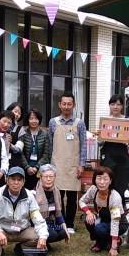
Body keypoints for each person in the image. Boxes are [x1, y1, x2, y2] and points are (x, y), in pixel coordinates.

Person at [0, 166, 48, 256]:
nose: (16, 182)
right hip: (2, 230)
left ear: (23, 182)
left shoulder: (29, 197)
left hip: (22, 230)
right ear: (6, 180)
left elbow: (37, 218)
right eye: (13, 179)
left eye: (19, 180)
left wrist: (43, 237)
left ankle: (20, 248)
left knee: (38, 235)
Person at [49, 92, 87, 234]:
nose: (66, 106)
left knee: (71, 196)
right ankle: (61, 221)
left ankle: (70, 223)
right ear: (59, 105)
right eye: (63, 104)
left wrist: (81, 164)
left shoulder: (79, 123)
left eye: (69, 104)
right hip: (57, 164)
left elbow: (83, 145)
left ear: (74, 105)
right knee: (58, 195)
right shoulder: (53, 122)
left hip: (73, 164)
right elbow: (50, 145)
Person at [79, 166, 128, 256]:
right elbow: (81, 201)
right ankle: (100, 242)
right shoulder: (93, 189)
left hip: (120, 223)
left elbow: (115, 223)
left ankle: (116, 240)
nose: (102, 182)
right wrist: (88, 212)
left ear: (110, 181)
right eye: (99, 178)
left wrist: (113, 248)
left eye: (105, 179)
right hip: (103, 220)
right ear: (94, 179)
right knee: (88, 220)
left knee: (100, 228)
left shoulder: (115, 197)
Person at [100, 94, 129, 201]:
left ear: (122, 106)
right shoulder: (105, 121)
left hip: (123, 158)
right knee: (107, 182)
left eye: (118, 104)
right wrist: (100, 136)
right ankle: (106, 210)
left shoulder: (127, 122)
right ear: (109, 106)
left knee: (122, 184)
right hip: (108, 156)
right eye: (113, 104)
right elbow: (100, 143)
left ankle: (121, 211)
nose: (115, 107)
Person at [34, 164, 69, 245]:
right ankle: (38, 242)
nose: (49, 179)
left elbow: (59, 213)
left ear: (55, 177)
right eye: (46, 176)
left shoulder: (56, 191)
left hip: (51, 222)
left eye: (51, 176)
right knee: (52, 234)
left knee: (63, 233)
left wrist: (65, 226)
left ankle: (45, 242)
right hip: (38, 223)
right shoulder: (34, 193)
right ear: (40, 177)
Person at [19, 108, 50, 190]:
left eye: (36, 118)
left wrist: (37, 167)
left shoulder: (45, 134)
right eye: (31, 118)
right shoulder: (23, 133)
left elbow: (46, 154)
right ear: (28, 120)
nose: (34, 121)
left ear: (39, 120)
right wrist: (27, 167)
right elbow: (20, 152)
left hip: (39, 170)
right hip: (25, 169)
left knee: (39, 193)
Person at [6, 102, 26, 168]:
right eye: (15, 111)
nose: (17, 114)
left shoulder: (21, 129)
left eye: (19, 113)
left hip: (14, 161)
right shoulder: (0, 125)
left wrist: (9, 144)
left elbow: (19, 149)